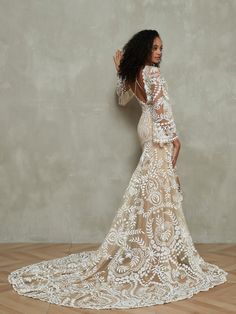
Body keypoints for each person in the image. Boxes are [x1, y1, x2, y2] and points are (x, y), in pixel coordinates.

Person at [8, 29, 228, 310]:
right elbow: (162, 107)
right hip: (157, 131)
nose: (160, 52)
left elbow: (122, 98)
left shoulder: (134, 73)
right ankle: (157, 253)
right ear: (144, 49)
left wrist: (121, 72)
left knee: (154, 190)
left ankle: (155, 249)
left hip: (144, 129)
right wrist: (175, 138)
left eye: (162, 48)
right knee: (159, 190)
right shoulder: (151, 74)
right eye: (155, 48)